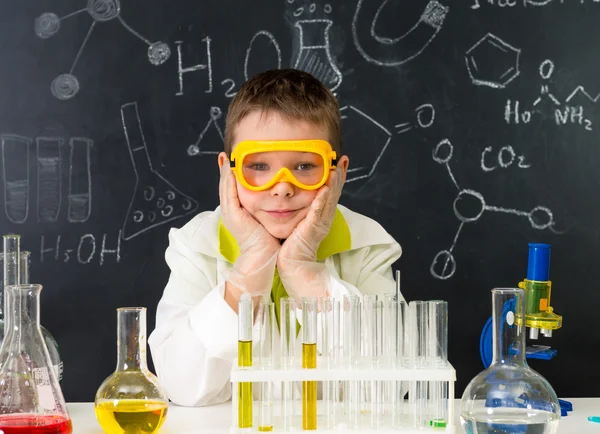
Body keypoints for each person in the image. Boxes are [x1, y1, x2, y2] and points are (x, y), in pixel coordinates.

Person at [148, 69, 403, 407]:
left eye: (303, 167)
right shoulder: (196, 245)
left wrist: (303, 269)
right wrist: (250, 266)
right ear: (228, 171)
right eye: (260, 166)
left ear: (338, 173)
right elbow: (181, 387)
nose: (282, 187)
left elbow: (389, 388)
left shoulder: (368, 246)